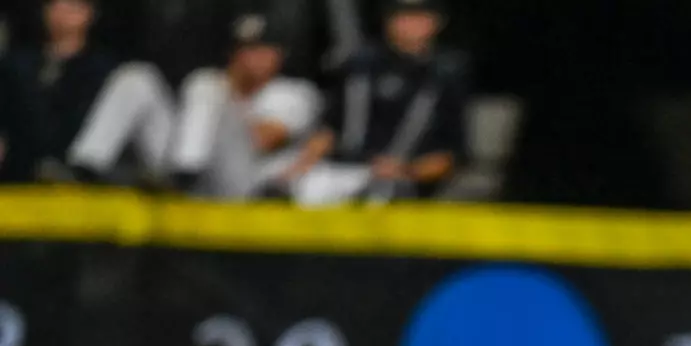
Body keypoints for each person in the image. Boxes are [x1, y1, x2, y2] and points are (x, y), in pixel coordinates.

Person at [65, 13, 320, 196]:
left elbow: (261, 141)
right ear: (234, 54)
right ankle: (85, 166)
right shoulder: (215, 87)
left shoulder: (294, 93)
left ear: (280, 55)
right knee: (136, 77)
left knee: (205, 84)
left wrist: (218, 109)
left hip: (241, 185)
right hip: (182, 176)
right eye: (247, 49)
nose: (254, 57)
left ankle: (186, 170)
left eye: (264, 49)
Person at [277, 0, 465, 205]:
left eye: (419, 17)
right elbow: (329, 128)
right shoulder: (360, 66)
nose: (410, 24)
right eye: (403, 16)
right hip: (340, 169)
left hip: (400, 176)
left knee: (377, 194)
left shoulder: (445, 75)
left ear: (436, 22)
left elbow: (450, 157)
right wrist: (301, 166)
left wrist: (406, 170)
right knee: (295, 189)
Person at [0, 0, 114, 182]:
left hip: (73, 163)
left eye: (71, 6)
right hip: (18, 164)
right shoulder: (17, 63)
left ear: (90, 14)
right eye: (54, 5)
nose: (61, 12)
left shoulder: (103, 70)